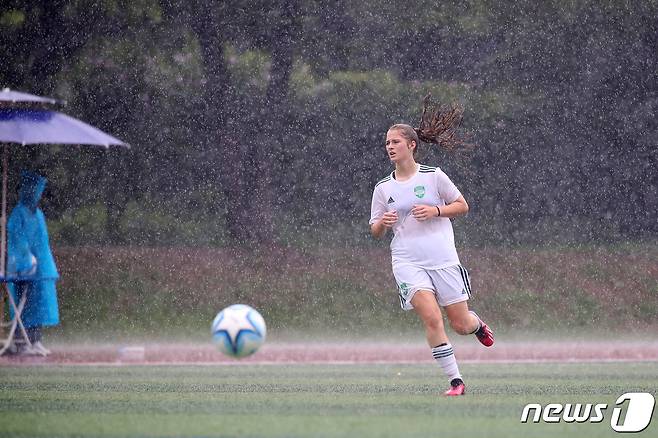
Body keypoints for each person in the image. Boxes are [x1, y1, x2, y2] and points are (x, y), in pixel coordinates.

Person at [369, 97, 494, 396]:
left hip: (443, 259)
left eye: (395, 141)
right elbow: (374, 230)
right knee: (431, 317)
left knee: (459, 323)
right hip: (406, 261)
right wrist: (383, 223)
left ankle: (476, 325)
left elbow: (462, 206)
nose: (389, 146)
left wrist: (436, 211)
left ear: (411, 145)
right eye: (387, 142)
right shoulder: (383, 188)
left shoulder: (433, 175)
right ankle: (456, 381)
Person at [6, 170, 60, 356]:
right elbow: (17, 240)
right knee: (25, 305)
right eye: (35, 190)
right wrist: (27, 259)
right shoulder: (18, 214)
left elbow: (42, 242)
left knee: (39, 305)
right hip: (24, 270)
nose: (37, 194)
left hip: (41, 270)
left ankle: (35, 340)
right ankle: (22, 341)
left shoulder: (38, 214)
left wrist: (42, 262)